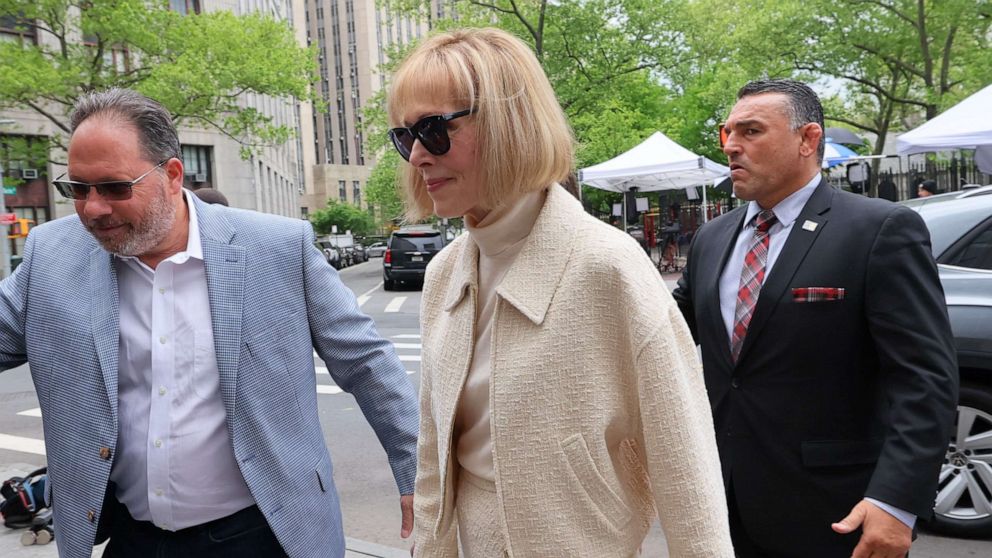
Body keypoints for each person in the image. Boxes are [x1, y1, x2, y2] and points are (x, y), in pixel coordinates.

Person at [0, 88, 419, 558]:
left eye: (115, 187)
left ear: (172, 175)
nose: (93, 208)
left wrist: (418, 470)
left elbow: (366, 361)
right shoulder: (52, 255)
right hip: (132, 538)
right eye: (78, 189)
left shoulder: (278, 248)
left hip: (266, 535)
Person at [388, 28, 734, 557]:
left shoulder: (609, 267)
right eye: (405, 136)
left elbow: (685, 463)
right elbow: (434, 452)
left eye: (433, 130)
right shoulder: (444, 274)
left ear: (511, 123)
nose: (417, 156)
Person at [673, 79, 958, 557]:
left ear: (808, 140)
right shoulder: (712, 238)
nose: (731, 146)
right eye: (726, 133)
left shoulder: (878, 230)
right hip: (723, 505)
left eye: (751, 131)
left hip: (836, 515)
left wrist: (896, 500)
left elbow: (924, 378)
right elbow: (665, 333)